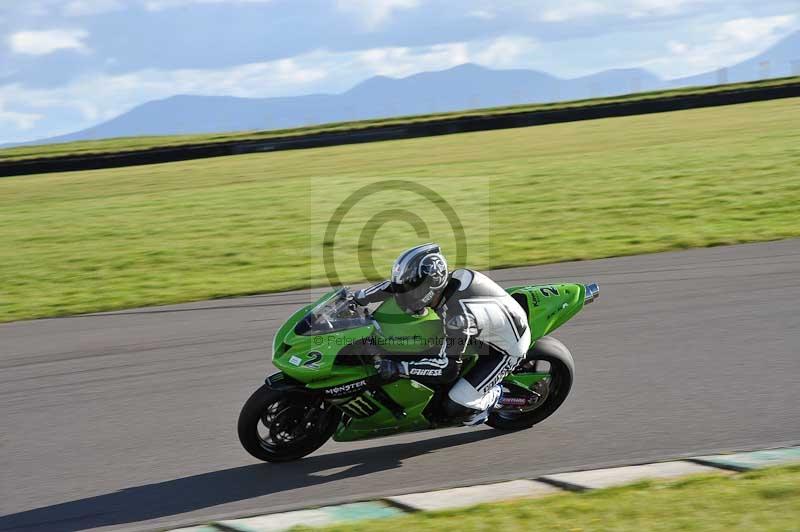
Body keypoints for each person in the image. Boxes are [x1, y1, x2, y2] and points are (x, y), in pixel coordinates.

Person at [352, 243, 531, 425]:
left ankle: (496, 397)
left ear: (431, 287)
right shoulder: (440, 286)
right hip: (482, 328)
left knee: (457, 405)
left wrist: (400, 368)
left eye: (412, 289)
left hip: (506, 347)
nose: (405, 295)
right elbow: (395, 287)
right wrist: (358, 297)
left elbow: (447, 369)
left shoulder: (458, 318)